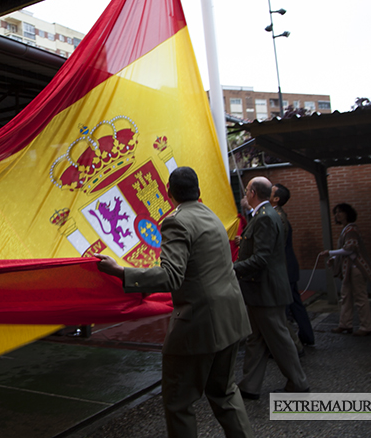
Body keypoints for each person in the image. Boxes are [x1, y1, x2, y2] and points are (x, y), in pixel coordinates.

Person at [95, 166, 253, 438]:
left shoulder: (176, 221)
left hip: (200, 324)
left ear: (168, 192)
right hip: (232, 318)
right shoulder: (211, 216)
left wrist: (121, 272)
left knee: (179, 401)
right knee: (225, 392)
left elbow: (171, 276)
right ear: (198, 190)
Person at [233, 176, 309, 400]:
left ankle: (298, 382)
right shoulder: (265, 216)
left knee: (279, 338)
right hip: (260, 291)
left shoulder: (265, 218)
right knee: (256, 339)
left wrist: (232, 268)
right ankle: (250, 385)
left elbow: (261, 258)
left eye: (247, 190)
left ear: (253, 193)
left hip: (266, 290)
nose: (245, 194)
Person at [320, 203, 371, 337]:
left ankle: (365, 326)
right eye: (336, 212)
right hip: (349, 269)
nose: (337, 215)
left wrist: (331, 253)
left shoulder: (351, 230)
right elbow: (347, 251)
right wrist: (334, 256)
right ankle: (345, 324)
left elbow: (350, 248)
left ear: (347, 214)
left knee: (359, 298)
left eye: (340, 212)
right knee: (346, 297)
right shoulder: (347, 229)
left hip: (355, 269)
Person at [270, 183, 315, 347]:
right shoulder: (280, 215)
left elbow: (276, 245)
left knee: (284, 309)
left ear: (276, 199)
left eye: (271, 190)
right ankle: (307, 336)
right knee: (295, 305)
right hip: (289, 267)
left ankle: (291, 344)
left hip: (284, 268)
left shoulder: (276, 216)